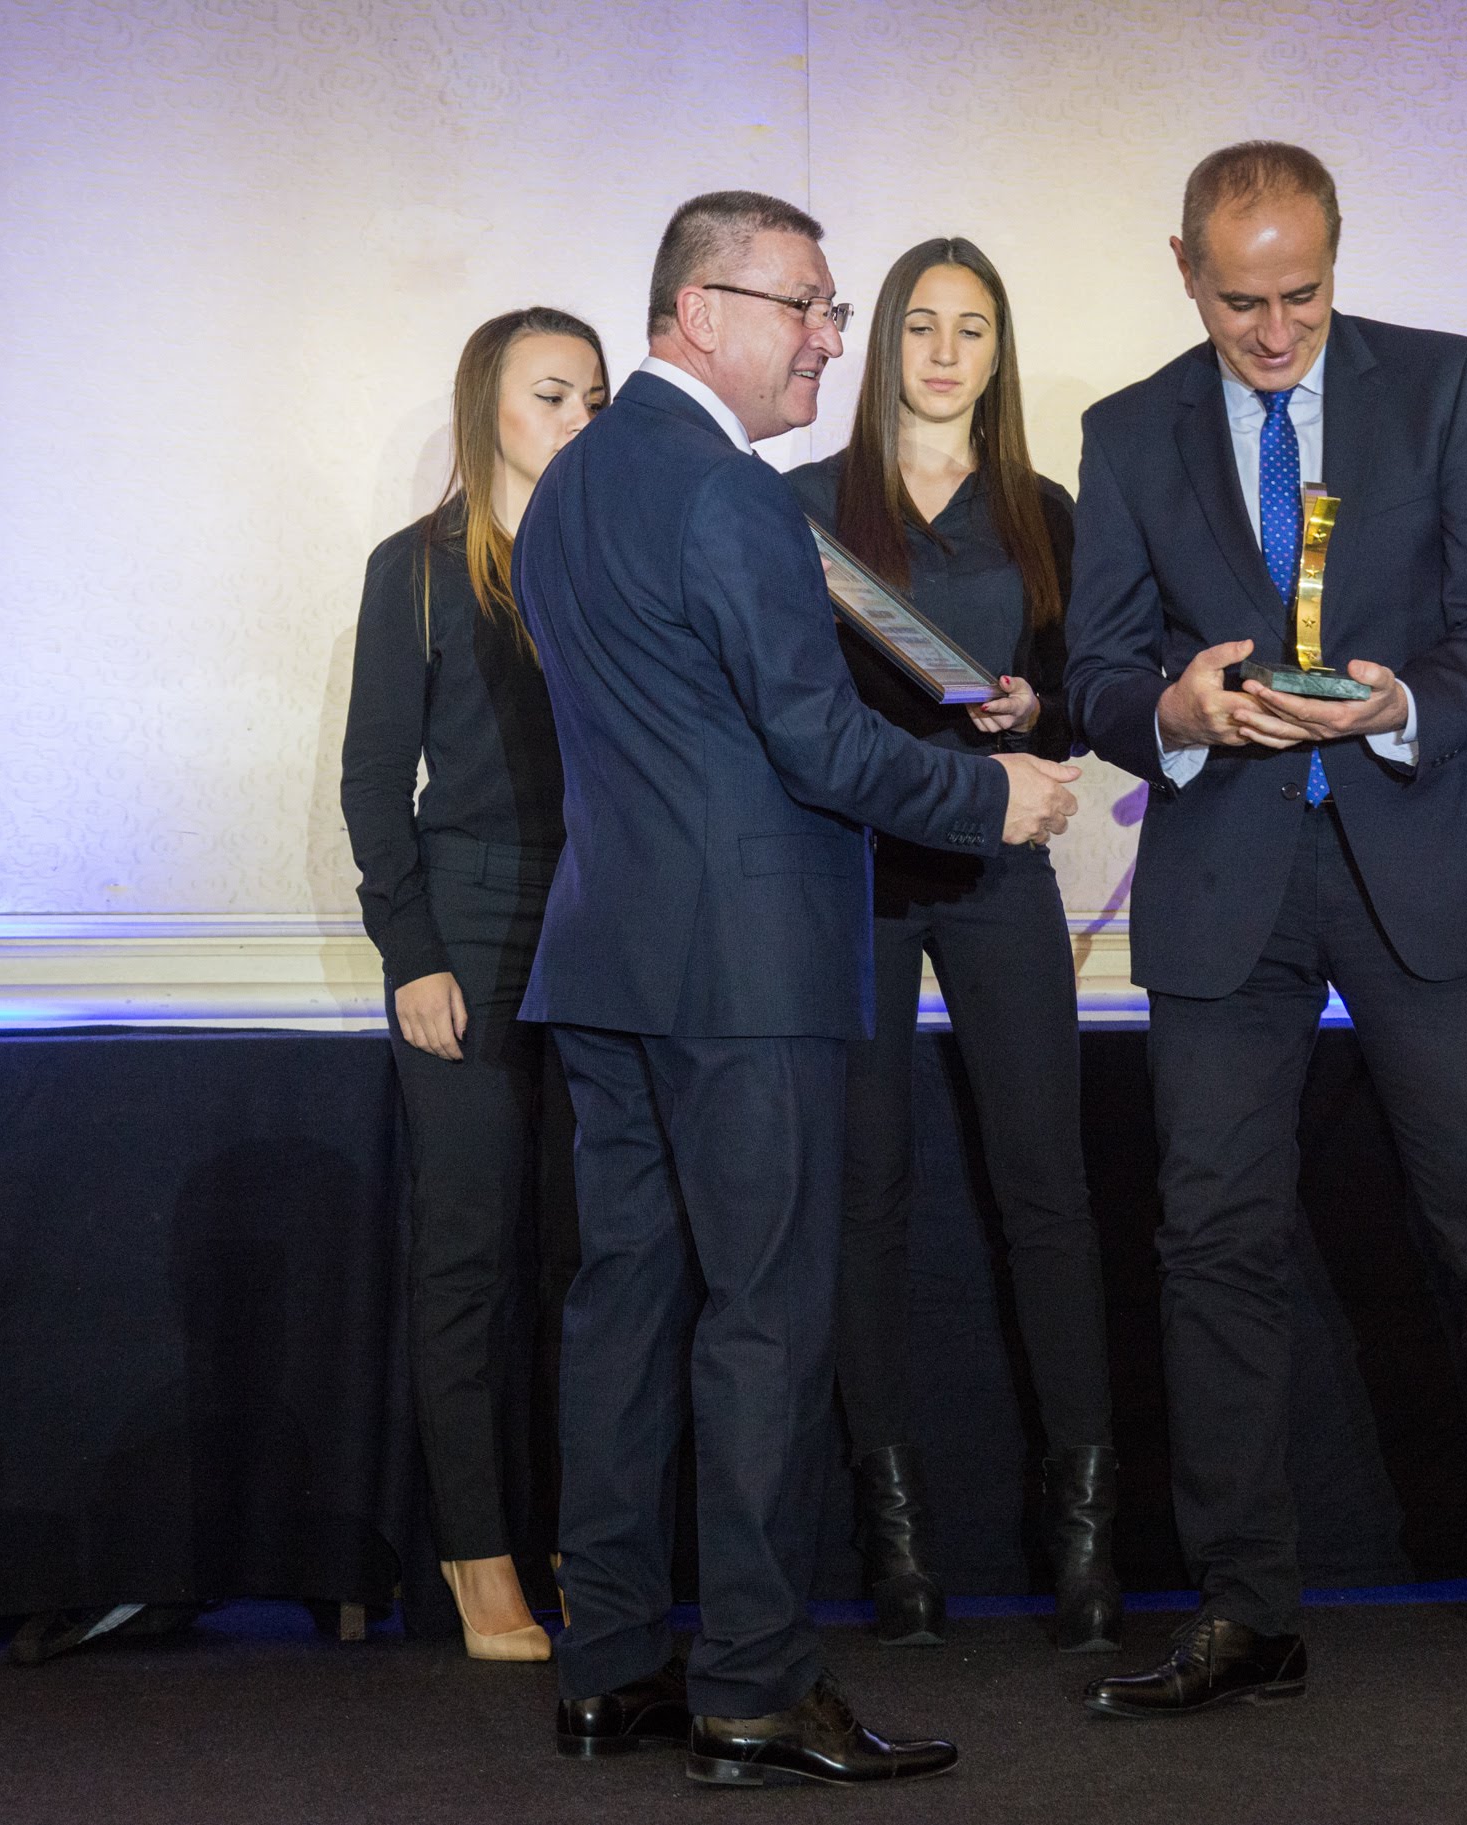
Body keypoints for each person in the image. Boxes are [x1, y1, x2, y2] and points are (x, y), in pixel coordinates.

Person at [1060, 142, 1467, 1719]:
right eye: (1241, 301)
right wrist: (1175, 710)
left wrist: (1405, 701)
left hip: (1431, 861)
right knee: (1211, 1249)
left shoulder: (1444, 383)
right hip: (1226, 885)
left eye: (1305, 295)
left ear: (1336, 260)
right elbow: (1097, 673)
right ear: (1183, 271)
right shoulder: (1124, 431)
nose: (1275, 332)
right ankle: (1244, 1612)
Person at [517, 191, 1081, 1786]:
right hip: (744, 975)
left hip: (608, 960)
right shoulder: (732, 497)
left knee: (623, 1313)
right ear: (700, 312)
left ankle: (609, 1667)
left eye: (834, 310)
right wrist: (995, 798)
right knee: (763, 1323)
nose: (833, 336)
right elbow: (816, 745)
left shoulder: (569, 486)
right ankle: (755, 1688)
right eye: (808, 306)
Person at [786, 238, 1121, 1656]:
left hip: (996, 871)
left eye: (970, 327)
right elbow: (787, 706)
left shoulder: (1046, 512)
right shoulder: (805, 505)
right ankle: (896, 1539)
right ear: (881, 343)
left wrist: (1038, 711)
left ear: (999, 350)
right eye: (920, 324)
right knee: (863, 1199)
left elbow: (1090, 699)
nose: (942, 351)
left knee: (1048, 1192)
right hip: (851, 878)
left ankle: (1085, 1535)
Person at [339, 306, 606, 1662]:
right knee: (466, 1259)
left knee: (586, 1259)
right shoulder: (420, 569)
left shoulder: (613, 563)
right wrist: (415, 954)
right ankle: (476, 1555)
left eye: (592, 399)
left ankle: (581, 1539)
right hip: (469, 920)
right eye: (550, 395)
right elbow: (372, 780)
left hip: (603, 922)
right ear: (486, 408)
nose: (576, 420)